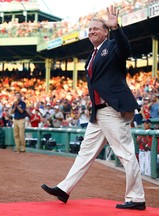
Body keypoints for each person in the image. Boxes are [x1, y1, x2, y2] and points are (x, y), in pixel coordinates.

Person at [41, 6, 146, 210]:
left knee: (124, 153)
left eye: (96, 29)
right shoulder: (92, 55)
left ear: (106, 31)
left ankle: (136, 198)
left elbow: (126, 50)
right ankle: (64, 189)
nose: (92, 32)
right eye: (89, 30)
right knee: (85, 153)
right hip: (99, 112)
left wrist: (116, 28)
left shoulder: (112, 45)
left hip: (113, 110)